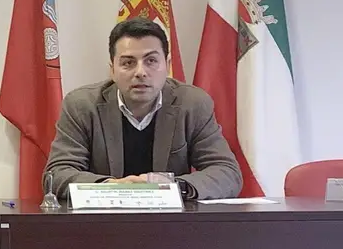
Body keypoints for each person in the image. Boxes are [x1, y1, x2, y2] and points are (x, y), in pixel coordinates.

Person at [44, 18, 242, 201]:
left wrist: (174, 187)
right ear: (112, 70)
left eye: (151, 61)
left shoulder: (192, 104)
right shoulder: (82, 105)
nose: (140, 72)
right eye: (128, 63)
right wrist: (112, 186)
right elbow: (57, 174)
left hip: (172, 228)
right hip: (102, 225)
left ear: (168, 65)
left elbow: (226, 172)